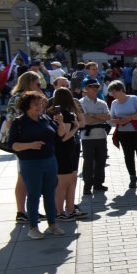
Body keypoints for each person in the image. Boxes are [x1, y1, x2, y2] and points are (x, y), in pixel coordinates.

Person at [8, 90, 68, 239]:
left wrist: (60, 122)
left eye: (41, 103)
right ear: (27, 105)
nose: (40, 106)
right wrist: (30, 145)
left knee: (49, 194)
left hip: (50, 161)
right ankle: (33, 228)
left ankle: (52, 225)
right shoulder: (19, 122)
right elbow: (12, 145)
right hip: (30, 163)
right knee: (34, 195)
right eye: (36, 104)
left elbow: (60, 135)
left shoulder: (45, 118)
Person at [6, 71, 42, 223]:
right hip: (24, 143)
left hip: (31, 142)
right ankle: (21, 212)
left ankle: (30, 210)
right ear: (29, 82)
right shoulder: (19, 98)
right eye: (37, 83)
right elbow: (11, 121)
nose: (40, 86)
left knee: (30, 178)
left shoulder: (28, 97)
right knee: (23, 177)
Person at [49, 87, 85, 220]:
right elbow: (64, 137)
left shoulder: (51, 112)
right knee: (64, 184)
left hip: (58, 151)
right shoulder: (67, 114)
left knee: (68, 182)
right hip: (65, 151)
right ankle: (60, 212)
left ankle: (70, 209)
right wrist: (75, 127)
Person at [108, 81, 137, 189]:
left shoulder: (134, 99)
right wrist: (119, 121)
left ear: (120, 90)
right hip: (123, 133)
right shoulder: (114, 103)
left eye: (113, 92)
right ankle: (133, 178)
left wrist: (130, 118)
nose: (112, 95)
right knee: (128, 156)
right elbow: (111, 118)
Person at [78, 80, 111, 196]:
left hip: (101, 136)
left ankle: (98, 184)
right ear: (86, 88)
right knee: (88, 162)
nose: (95, 89)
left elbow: (108, 117)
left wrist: (93, 115)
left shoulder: (102, 103)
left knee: (101, 161)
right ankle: (87, 186)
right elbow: (85, 120)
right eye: (92, 87)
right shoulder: (81, 103)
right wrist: (99, 118)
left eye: (97, 86)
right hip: (88, 138)